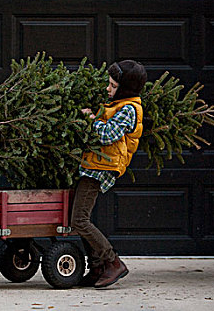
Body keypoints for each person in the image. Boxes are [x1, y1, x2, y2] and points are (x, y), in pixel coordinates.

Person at [72, 60, 146, 289]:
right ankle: (96, 268)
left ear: (124, 89)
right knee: (81, 218)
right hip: (94, 164)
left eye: (113, 86)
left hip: (101, 168)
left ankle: (112, 261)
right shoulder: (119, 103)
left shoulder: (129, 109)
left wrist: (90, 120)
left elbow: (107, 135)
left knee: (79, 220)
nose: (108, 89)